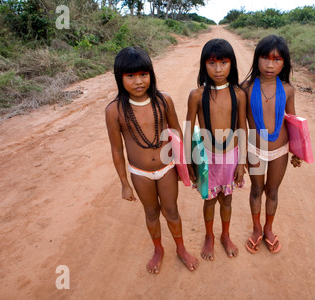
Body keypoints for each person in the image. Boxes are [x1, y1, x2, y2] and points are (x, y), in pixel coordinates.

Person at [105, 47, 199, 274]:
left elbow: (176, 132)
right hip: (140, 173)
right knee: (151, 213)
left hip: (166, 168)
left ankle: (181, 248)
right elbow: (117, 150)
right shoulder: (114, 110)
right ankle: (158, 249)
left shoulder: (163, 100)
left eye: (143, 75)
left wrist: (186, 166)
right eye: (130, 76)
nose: (138, 81)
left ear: (151, 74)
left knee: (172, 211)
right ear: (120, 78)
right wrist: (125, 183)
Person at [185, 39, 247, 261]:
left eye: (223, 62)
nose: (218, 69)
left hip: (230, 158)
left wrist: (241, 162)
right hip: (207, 159)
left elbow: (242, 127)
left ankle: (225, 235)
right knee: (209, 200)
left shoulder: (238, 94)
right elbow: (188, 129)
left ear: (232, 64)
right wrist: (189, 163)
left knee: (227, 200)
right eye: (212, 63)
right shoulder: (196, 95)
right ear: (204, 65)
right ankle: (209, 235)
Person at [242, 35, 301, 254]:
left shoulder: (287, 90)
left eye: (276, 60)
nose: (269, 64)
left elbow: (293, 122)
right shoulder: (245, 88)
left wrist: (297, 151)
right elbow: (240, 125)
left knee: (273, 191)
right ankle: (256, 228)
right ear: (256, 59)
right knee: (256, 190)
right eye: (265, 58)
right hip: (254, 150)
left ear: (284, 62)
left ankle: (268, 228)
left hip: (280, 151)